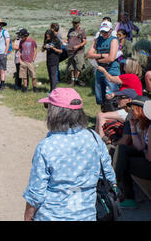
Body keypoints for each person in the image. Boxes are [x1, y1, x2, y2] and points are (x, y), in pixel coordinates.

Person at [23, 88, 117, 221]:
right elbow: (109, 176)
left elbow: (36, 193)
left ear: (55, 113)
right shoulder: (94, 139)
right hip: (87, 215)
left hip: (51, 216)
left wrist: (27, 216)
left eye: (47, 107)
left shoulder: (46, 147)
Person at [113, 96, 151, 209]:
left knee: (125, 161)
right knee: (122, 150)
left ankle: (126, 196)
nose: (130, 112)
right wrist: (133, 126)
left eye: (133, 109)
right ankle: (115, 183)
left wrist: (145, 152)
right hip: (147, 157)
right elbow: (139, 147)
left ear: (141, 111)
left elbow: (149, 157)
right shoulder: (146, 125)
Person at [87, 21, 120, 105]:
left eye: (106, 31)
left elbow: (111, 58)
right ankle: (103, 115)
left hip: (111, 71)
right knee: (100, 97)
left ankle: (112, 115)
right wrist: (104, 55)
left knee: (112, 96)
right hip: (100, 71)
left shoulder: (114, 40)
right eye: (102, 31)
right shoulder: (98, 40)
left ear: (111, 30)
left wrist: (98, 60)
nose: (104, 33)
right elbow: (89, 54)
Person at [66, 17, 87, 86]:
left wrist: (78, 46)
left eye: (76, 23)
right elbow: (68, 39)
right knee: (71, 66)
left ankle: (77, 79)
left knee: (79, 66)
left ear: (79, 23)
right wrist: (66, 43)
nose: (74, 24)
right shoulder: (70, 30)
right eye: (73, 23)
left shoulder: (82, 31)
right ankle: (72, 80)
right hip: (70, 51)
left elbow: (84, 41)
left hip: (79, 51)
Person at [18, 29, 38, 93]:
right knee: (24, 76)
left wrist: (33, 59)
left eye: (22, 36)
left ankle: (34, 88)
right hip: (23, 61)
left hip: (30, 61)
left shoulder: (32, 40)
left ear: (26, 35)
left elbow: (35, 50)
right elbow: (20, 51)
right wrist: (19, 59)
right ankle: (25, 89)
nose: (21, 38)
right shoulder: (21, 42)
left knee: (33, 76)